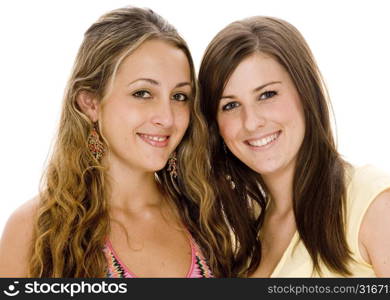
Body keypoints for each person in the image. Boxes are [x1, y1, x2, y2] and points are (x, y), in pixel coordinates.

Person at [0, 7, 240, 278]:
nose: (167, 117)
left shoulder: (208, 218)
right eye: (142, 93)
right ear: (90, 103)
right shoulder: (34, 230)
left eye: (179, 96)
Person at [198, 16, 390, 277]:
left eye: (267, 95)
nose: (251, 122)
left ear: (305, 92)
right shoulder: (237, 233)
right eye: (230, 105)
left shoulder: (374, 204)